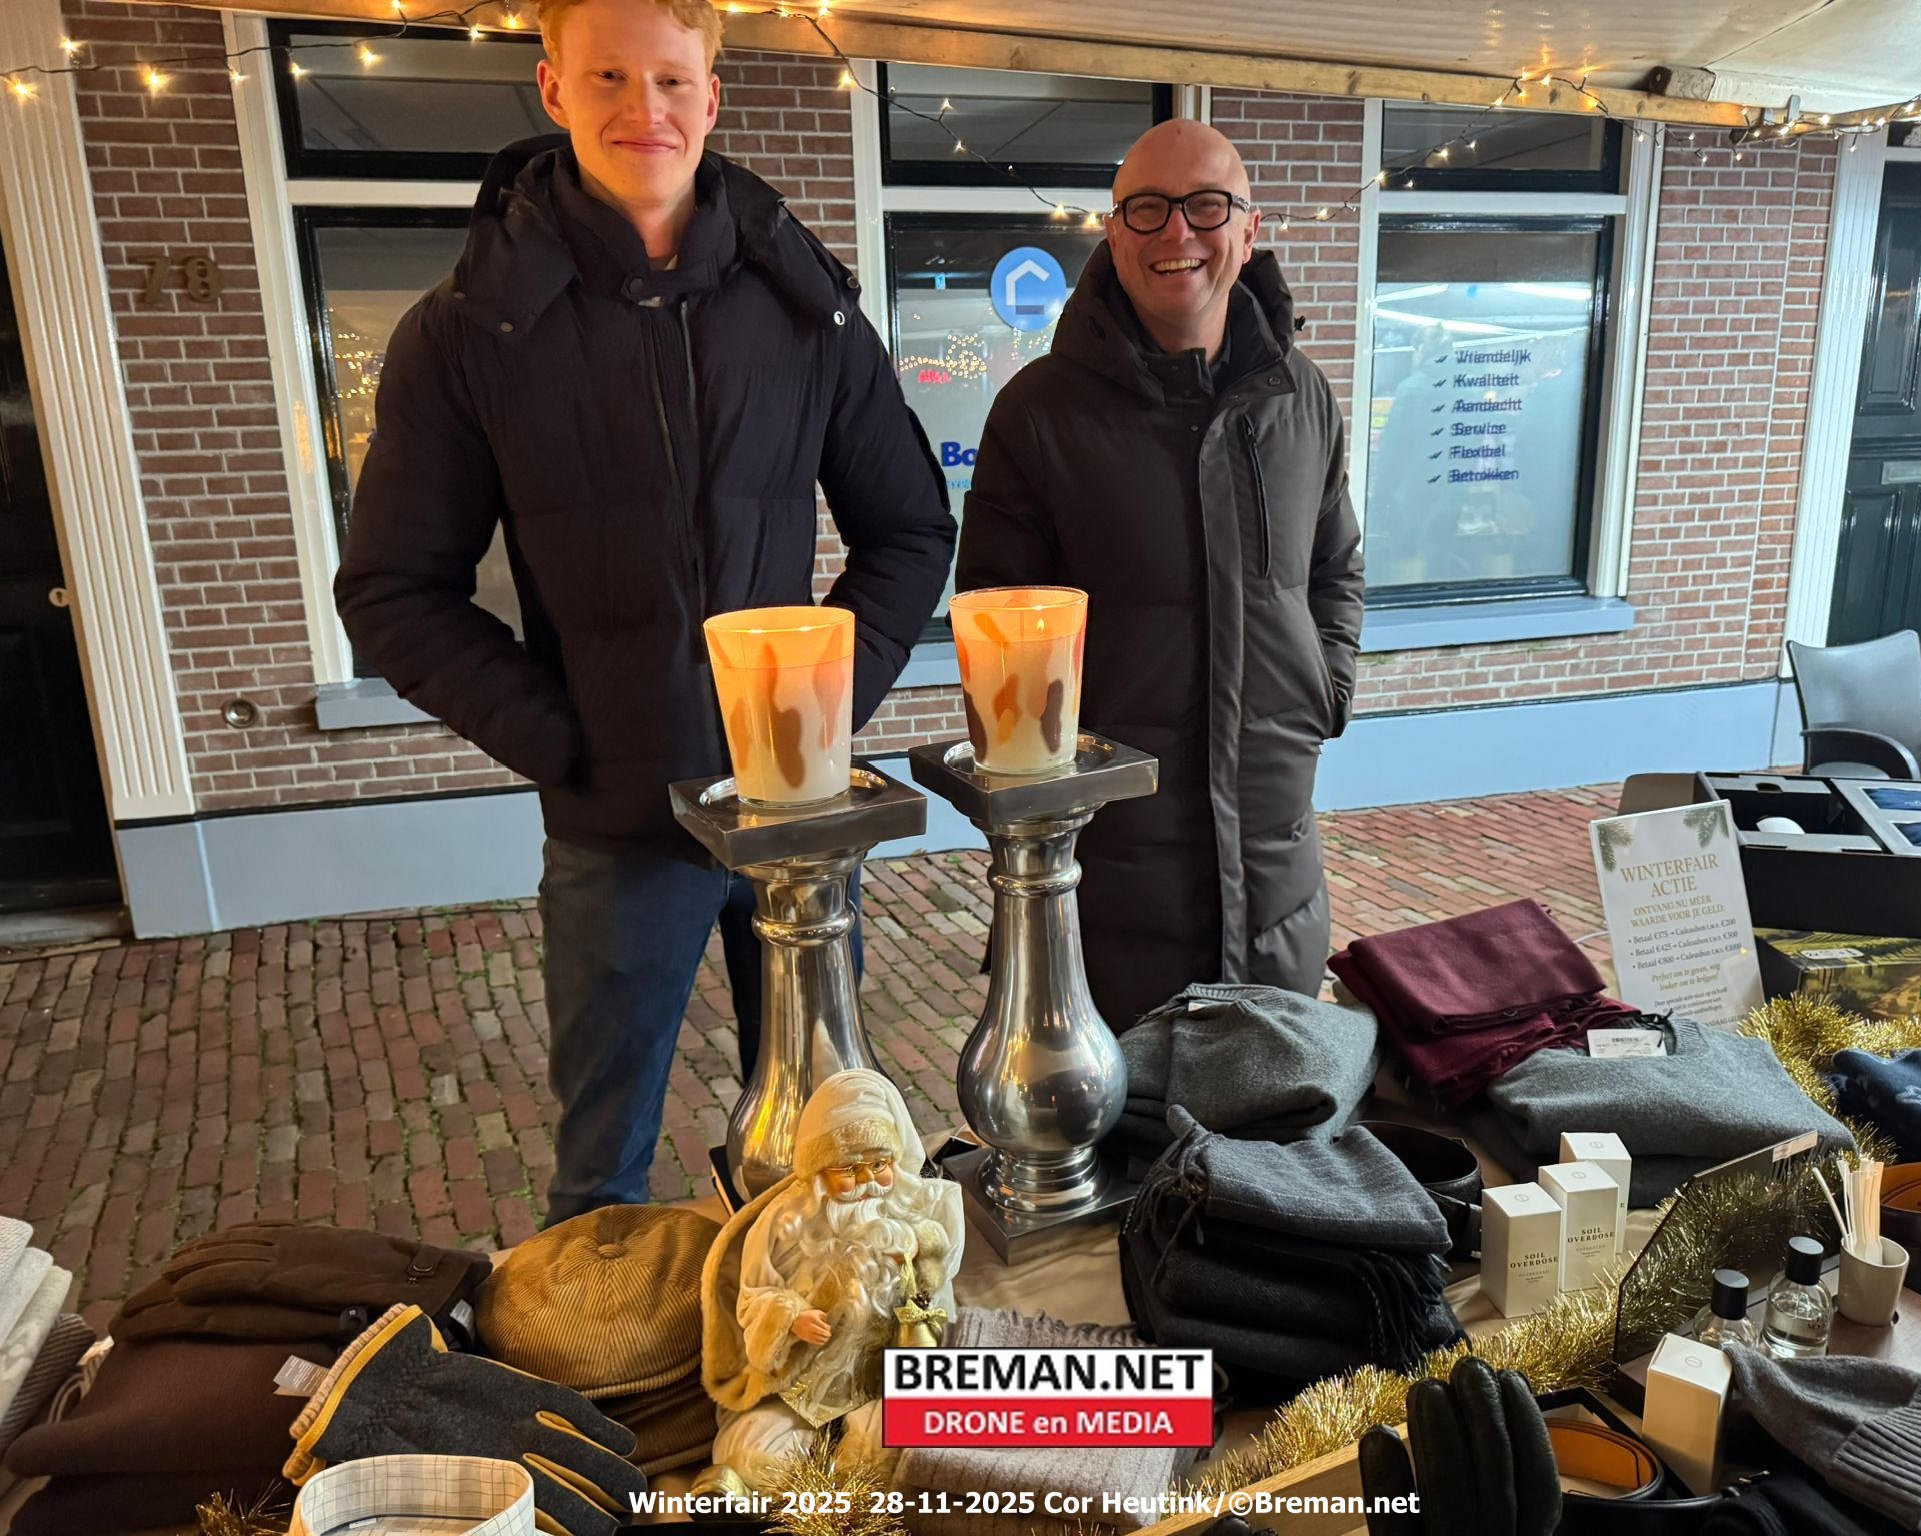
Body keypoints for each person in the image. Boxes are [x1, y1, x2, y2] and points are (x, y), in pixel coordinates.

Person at [333, 0, 954, 1224]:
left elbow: (909, 530)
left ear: (710, 95)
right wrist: (566, 741)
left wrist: (820, 712)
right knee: (601, 1185)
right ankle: (606, 1342)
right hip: (618, 829)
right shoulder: (468, 332)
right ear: (552, 88)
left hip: (795, 819)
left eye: (670, 79)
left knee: (834, 1169)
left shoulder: (806, 307)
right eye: (609, 76)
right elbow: (392, 591)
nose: (644, 109)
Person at [957, 119, 1365, 1029]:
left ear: (1249, 231)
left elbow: (1335, 566)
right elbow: (994, 624)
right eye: (1146, 208)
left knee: (1275, 1105)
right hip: (1106, 889)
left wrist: (1325, 689)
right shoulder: (1039, 414)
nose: (1177, 231)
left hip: (1277, 876)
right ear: (1113, 233)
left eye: (1206, 206)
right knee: (1115, 1116)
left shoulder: (1302, 397)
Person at [700, 1069, 964, 1488]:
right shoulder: (787, 1225)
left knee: (897, 1444)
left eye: (879, 1165)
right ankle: (769, 1487)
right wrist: (790, 1318)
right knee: (750, 1447)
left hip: (884, 1373)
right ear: (820, 1170)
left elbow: (941, 1290)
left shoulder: (916, 1211)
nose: (867, 1181)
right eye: (849, 1169)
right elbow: (752, 1297)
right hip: (807, 1379)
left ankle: (848, 1486)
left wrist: (925, 1250)